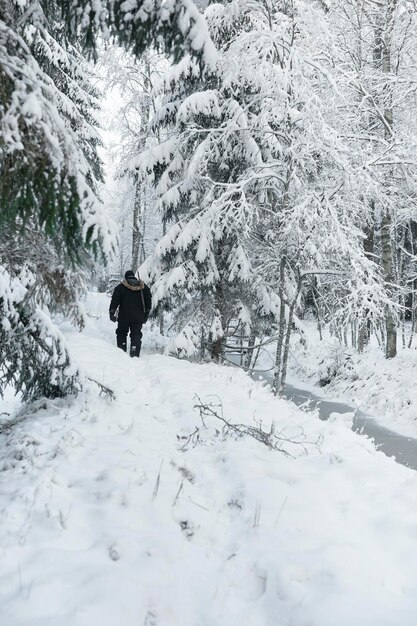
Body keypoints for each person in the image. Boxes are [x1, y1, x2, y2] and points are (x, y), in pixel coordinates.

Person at [109, 270, 152, 357]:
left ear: (126, 277)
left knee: (121, 333)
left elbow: (115, 301)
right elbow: (148, 302)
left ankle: (121, 352)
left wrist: (112, 312)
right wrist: (146, 315)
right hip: (138, 317)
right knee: (136, 334)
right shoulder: (144, 287)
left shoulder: (120, 287)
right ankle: (134, 353)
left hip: (124, 316)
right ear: (134, 276)